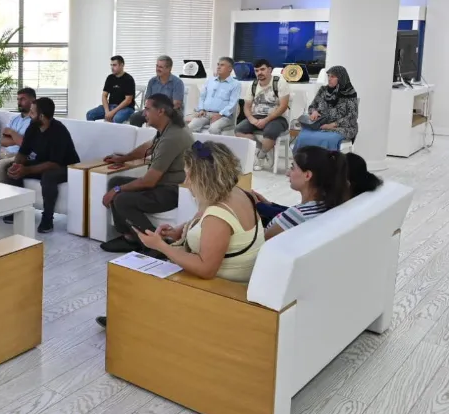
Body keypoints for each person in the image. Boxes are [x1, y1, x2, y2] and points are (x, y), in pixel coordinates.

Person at [97, 140, 264, 328]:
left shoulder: (218, 217)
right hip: (229, 276)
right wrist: (179, 231)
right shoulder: (237, 192)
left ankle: (128, 321)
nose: (186, 182)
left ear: (201, 177)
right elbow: (204, 223)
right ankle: (127, 315)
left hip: (223, 287)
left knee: (144, 263)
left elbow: (206, 270)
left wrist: (161, 246)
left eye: (188, 175)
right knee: (143, 263)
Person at [100, 94, 193, 254]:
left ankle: (157, 246)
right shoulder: (169, 129)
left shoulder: (172, 138)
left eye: (147, 109)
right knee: (115, 181)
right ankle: (129, 238)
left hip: (172, 191)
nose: (144, 113)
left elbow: (149, 181)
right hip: (162, 185)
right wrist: (123, 158)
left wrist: (117, 191)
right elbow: (148, 147)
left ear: (160, 111)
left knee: (121, 198)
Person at [4, 97, 80, 233]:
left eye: (32, 112)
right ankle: (16, 210)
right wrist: (16, 165)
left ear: (42, 116)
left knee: (48, 177)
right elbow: (23, 152)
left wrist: (26, 170)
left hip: (66, 167)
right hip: (43, 163)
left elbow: (54, 164)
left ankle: (47, 219)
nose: (29, 114)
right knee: (10, 168)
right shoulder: (33, 127)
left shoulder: (59, 131)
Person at [257, 146, 351, 240]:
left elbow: (262, 240)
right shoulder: (326, 205)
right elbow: (291, 218)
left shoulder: (298, 214)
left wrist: (251, 208)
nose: (287, 173)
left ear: (307, 175)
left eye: (292, 168)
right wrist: (268, 205)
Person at [235, 59, 291, 171]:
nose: (259, 73)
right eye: (256, 70)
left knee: (269, 133)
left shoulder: (280, 82)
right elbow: (246, 107)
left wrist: (266, 120)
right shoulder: (253, 85)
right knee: (238, 130)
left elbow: (283, 106)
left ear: (269, 70)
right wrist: (252, 119)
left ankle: (260, 156)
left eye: (262, 69)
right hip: (256, 116)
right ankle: (266, 149)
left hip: (277, 118)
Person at [293, 66, 359, 152]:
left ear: (341, 78)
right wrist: (314, 112)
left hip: (341, 128)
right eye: (328, 76)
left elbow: (352, 117)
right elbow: (312, 106)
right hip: (320, 125)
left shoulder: (350, 94)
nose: (329, 79)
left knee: (328, 139)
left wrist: (332, 125)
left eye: (333, 76)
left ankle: (324, 160)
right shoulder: (323, 90)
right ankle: (303, 160)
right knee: (303, 137)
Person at [187, 57, 241, 135]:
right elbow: (202, 97)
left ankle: (215, 144)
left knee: (213, 128)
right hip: (205, 113)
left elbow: (232, 104)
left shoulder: (236, 84)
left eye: (222, 65)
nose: (218, 67)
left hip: (224, 116)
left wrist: (220, 114)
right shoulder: (210, 81)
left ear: (230, 68)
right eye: (218, 64)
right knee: (190, 127)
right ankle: (196, 143)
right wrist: (201, 109)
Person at [128, 56, 185, 127]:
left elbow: (176, 105)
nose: (157, 69)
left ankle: (160, 134)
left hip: (170, 112)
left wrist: (159, 113)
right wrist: (151, 111)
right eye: (157, 66)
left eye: (161, 67)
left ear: (169, 68)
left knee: (161, 119)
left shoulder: (177, 83)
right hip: (154, 110)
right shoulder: (152, 81)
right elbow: (147, 100)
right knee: (135, 117)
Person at [86, 56, 136, 123]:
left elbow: (128, 100)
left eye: (114, 65)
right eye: (111, 65)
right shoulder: (110, 78)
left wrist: (112, 112)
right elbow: (104, 95)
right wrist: (107, 111)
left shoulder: (129, 79)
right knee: (90, 114)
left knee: (117, 119)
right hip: (110, 106)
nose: (112, 67)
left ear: (122, 65)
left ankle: (110, 130)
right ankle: (95, 130)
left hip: (126, 108)